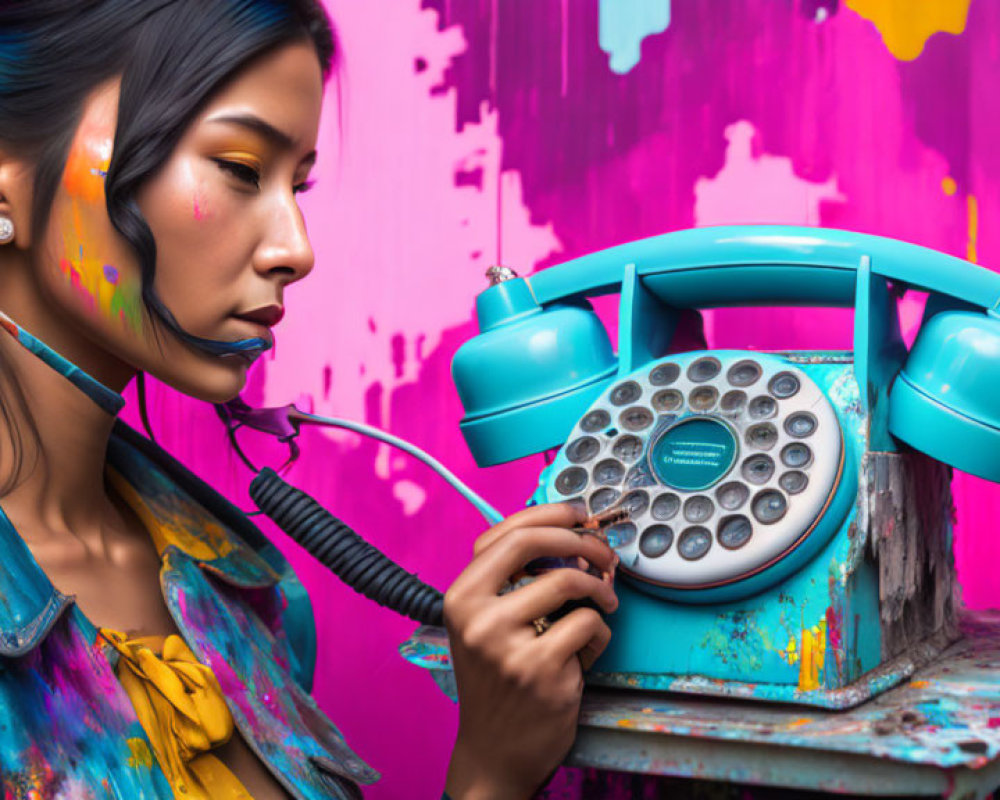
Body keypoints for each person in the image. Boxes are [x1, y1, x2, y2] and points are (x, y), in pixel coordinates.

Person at [0, 1, 618, 798]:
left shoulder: (251, 597)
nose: (296, 249)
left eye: (297, 183)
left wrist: (494, 762)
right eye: (238, 168)